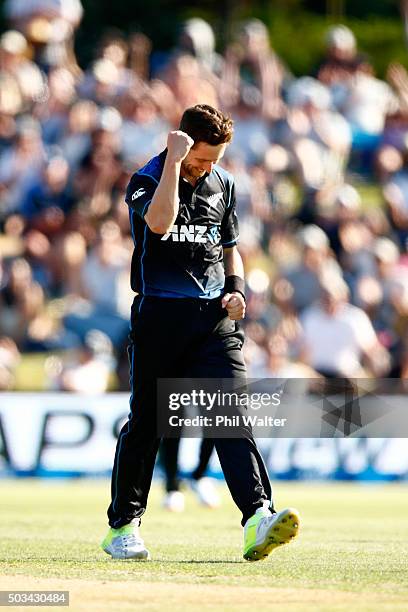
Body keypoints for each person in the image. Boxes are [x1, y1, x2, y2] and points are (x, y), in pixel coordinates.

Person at [101, 104, 300, 561]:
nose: (209, 167)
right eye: (203, 157)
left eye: (216, 160)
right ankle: (123, 526)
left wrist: (236, 289)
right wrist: (174, 162)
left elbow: (231, 248)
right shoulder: (148, 178)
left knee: (231, 416)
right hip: (160, 318)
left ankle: (257, 517)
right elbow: (159, 223)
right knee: (148, 423)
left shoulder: (224, 184)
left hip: (214, 322)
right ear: (182, 142)